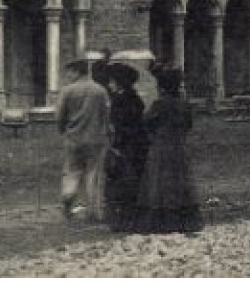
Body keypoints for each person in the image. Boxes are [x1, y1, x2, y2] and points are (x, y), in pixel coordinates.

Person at [136, 65, 203, 235]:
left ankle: (162, 221)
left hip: (161, 147)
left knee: (160, 183)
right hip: (179, 146)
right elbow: (189, 125)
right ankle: (185, 219)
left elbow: (146, 122)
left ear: (162, 87)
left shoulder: (159, 105)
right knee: (181, 181)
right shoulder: (184, 104)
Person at [55, 57, 110, 221]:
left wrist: (62, 129)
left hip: (73, 138)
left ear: (77, 72)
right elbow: (106, 115)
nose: (68, 76)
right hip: (96, 139)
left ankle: (67, 202)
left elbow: (59, 115)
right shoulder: (100, 91)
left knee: (72, 171)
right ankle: (93, 211)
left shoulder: (67, 91)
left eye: (70, 72)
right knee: (93, 173)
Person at [104, 60, 148, 233]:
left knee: (123, 183)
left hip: (127, 146)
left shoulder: (121, 100)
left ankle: (124, 220)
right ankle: (130, 217)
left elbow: (122, 126)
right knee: (131, 181)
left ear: (119, 82)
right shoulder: (133, 98)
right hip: (137, 144)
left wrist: (116, 145)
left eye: (112, 81)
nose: (109, 84)